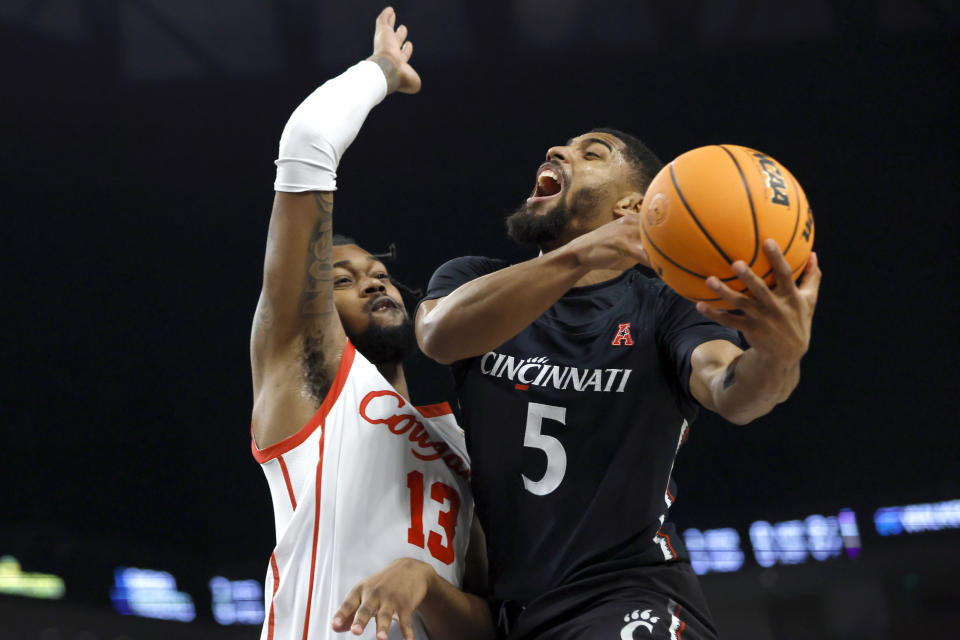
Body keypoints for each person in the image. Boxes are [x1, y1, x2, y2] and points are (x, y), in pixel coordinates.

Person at [415, 129, 822, 638]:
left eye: (593, 153)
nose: (555, 151)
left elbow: (732, 391)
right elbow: (439, 335)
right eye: (562, 148)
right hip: (515, 615)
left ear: (633, 205)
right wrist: (583, 253)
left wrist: (780, 354)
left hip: (630, 596)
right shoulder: (471, 278)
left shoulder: (666, 308)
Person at [249, 8, 495, 640]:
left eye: (377, 271)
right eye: (341, 278)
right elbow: (307, 141)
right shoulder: (311, 384)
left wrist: (424, 583)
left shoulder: (464, 446)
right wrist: (383, 70)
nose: (374, 279)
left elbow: (486, 629)